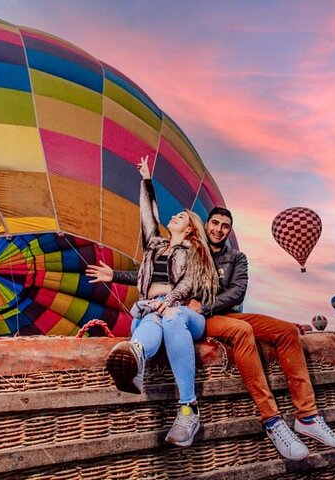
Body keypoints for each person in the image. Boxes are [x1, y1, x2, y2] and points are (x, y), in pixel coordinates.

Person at [88, 206, 335, 461]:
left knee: (286, 331)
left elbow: (237, 292)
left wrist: (205, 305)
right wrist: (116, 276)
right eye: (215, 223)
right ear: (204, 225)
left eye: (226, 226)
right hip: (202, 319)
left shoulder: (236, 258)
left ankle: (308, 417)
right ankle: (272, 420)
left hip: (218, 311)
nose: (219, 229)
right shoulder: (193, 249)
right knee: (242, 331)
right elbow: (155, 273)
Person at [101, 155, 218, 448]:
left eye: (181, 216)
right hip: (152, 307)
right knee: (154, 317)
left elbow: (190, 281)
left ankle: (189, 409)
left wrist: (173, 300)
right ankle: (135, 359)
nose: (175, 216)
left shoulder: (196, 252)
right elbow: (147, 218)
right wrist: (146, 181)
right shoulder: (155, 246)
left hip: (186, 314)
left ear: (190, 228)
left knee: (171, 316)